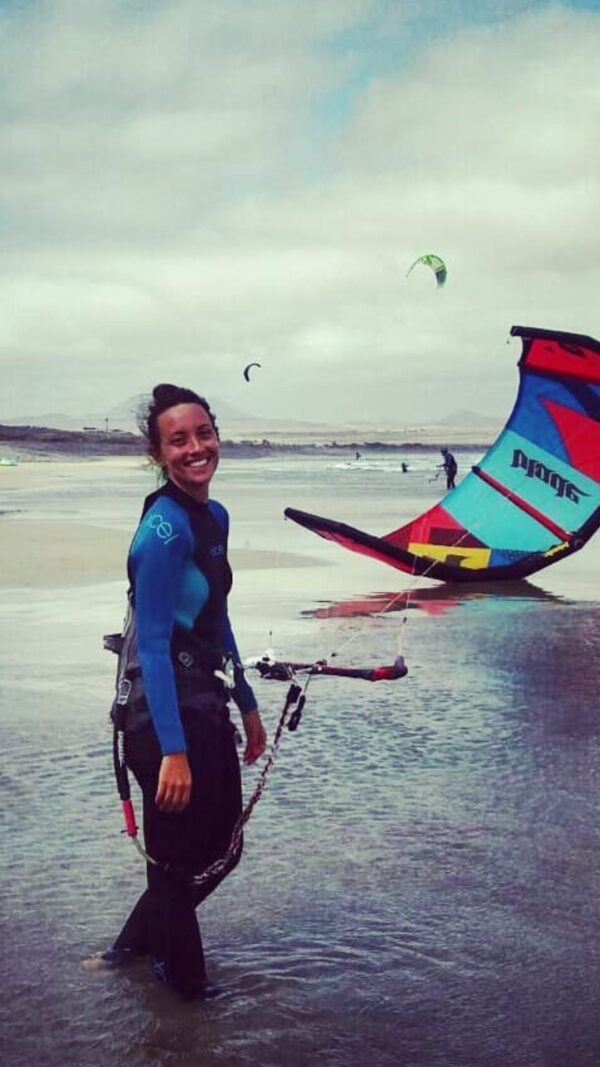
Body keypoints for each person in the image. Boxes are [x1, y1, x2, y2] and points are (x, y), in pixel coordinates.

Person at [86, 384, 266, 1001]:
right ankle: (188, 1001)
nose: (196, 449)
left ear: (217, 435)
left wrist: (247, 702)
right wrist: (173, 750)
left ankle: (130, 950)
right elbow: (156, 645)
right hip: (157, 716)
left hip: (204, 701)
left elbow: (217, 618)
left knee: (224, 849)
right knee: (174, 865)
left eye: (203, 434)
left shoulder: (213, 518)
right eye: (179, 440)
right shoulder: (161, 532)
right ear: (159, 454)